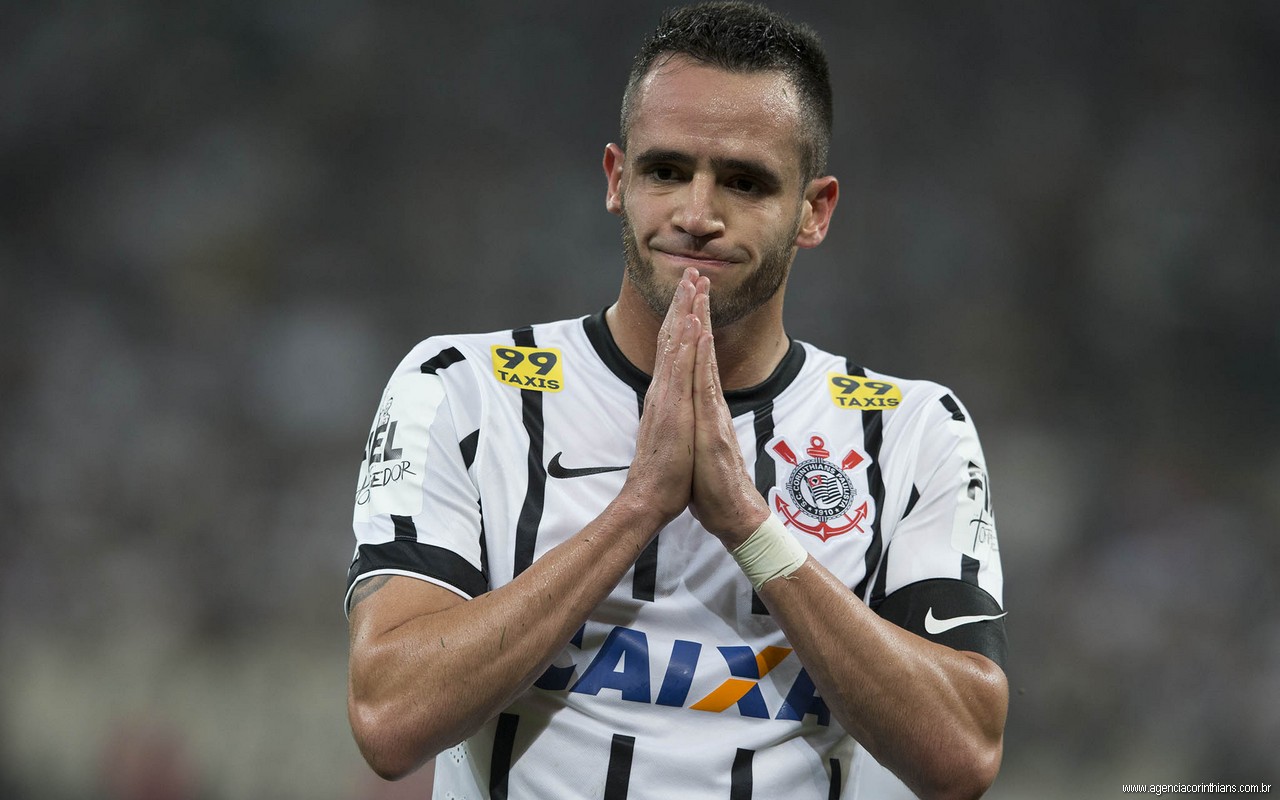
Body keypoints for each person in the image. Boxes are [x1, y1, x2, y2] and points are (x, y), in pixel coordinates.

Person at [344, 3, 1009, 798]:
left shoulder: (908, 430)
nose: (696, 216)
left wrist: (749, 526)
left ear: (815, 210)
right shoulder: (462, 389)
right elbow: (389, 717)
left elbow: (964, 755)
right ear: (616, 179)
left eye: (745, 182)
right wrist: (637, 509)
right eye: (665, 171)